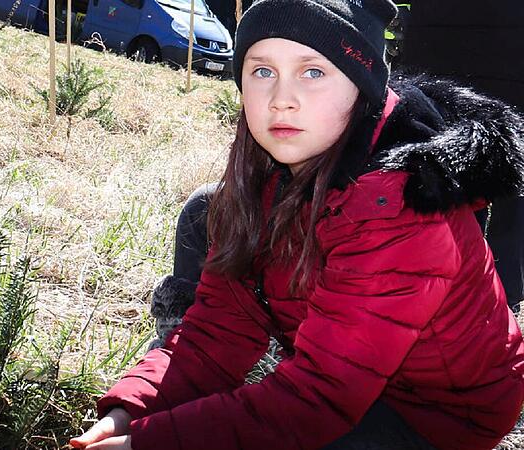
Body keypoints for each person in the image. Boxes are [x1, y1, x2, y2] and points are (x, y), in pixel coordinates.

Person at [70, 0, 524, 449]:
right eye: (262, 71)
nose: (281, 100)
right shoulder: (265, 176)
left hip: (437, 411)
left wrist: (153, 443)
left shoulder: (397, 209)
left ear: (362, 87)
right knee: (204, 210)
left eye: (313, 72)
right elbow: (217, 331)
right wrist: (128, 412)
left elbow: (317, 398)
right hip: (346, 370)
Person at [397, 0, 524, 312]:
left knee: (454, 171)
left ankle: (459, 281)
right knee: (505, 173)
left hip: (442, 51)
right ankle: (499, 285)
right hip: (489, 51)